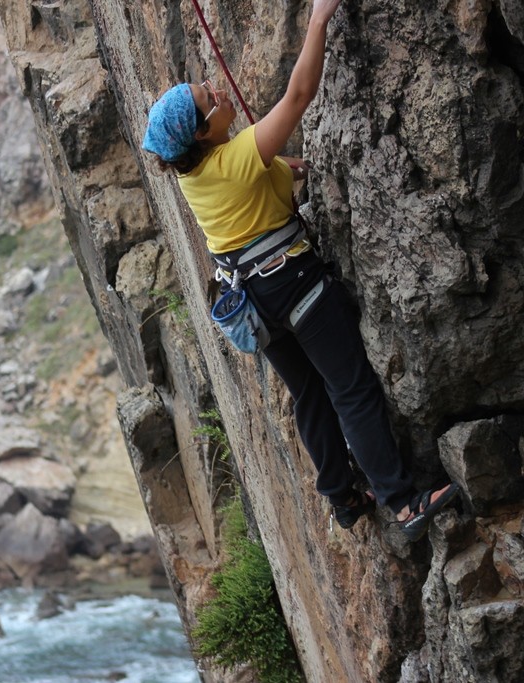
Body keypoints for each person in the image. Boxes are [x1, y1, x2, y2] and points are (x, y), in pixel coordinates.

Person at [141, 0, 458, 541]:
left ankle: (343, 497)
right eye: (209, 99)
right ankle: (403, 504)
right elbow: (299, 96)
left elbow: (243, 182)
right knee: (351, 388)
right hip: (296, 286)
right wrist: (318, 19)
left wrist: (278, 169)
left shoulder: (196, 177)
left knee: (310, 394)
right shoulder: (238, 156)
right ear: (199, 132)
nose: (219, 91)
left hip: (257, 305)